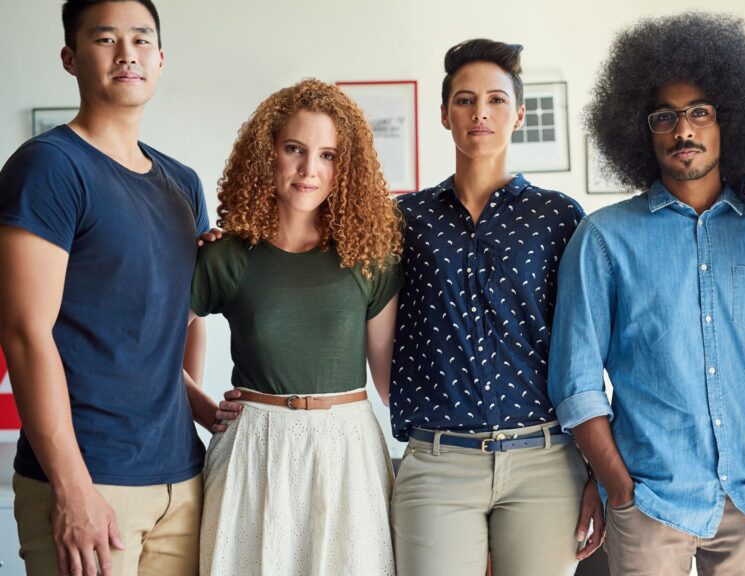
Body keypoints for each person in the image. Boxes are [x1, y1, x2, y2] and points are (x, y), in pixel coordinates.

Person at [548, 13, 745, 576]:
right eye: (664, 117)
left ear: (730, 122)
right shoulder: (602, 240)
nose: (683, 130)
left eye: (700, 112)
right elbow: (576, 385)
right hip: (649, 505)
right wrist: (621, 492)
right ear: (640, 131)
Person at [0, 1, 213, 574]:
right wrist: (71, 489)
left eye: (142, 40)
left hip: (181, 479)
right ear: (70, 58)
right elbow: (24, 333)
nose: (127, 54)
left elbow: (172, 328)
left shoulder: (183, 183)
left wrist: (207, 412)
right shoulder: (48, 167)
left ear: (161, 59)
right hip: (90, 481)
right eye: (105, 39)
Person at [387, 38, 603, 576]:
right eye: (463, 100)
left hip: (546, 461)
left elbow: (587, 341)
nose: (479, 112)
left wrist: (598, 468)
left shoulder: (558, 216)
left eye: (496, 100)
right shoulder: (404, 219)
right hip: (438, 463)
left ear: (519, 114)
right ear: (443, 115)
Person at [191, 78, 403, 576]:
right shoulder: (226, 254)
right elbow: (148, 349)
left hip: (348, 449)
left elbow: (390, 385)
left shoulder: (369, 258)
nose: (311, 169)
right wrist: (202, 409)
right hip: (252, 448)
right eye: (295, 149)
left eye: (328, 155)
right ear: (268, 155)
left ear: (345, 167)